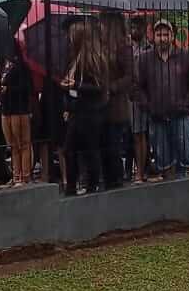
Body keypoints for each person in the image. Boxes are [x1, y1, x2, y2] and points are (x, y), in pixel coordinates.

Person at [134, 19, 189, 180]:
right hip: (157, 118)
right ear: (153, 37)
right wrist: (148, 107)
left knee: (185, 159)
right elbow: (136, 87)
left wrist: (187, 106)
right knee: (164, 161)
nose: (162, 38)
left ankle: (184, 193)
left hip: (181, 116)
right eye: (159, 34)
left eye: (165, 34)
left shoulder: (184, 56)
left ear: (172, 36)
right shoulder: (144, 59)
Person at [62, 16, 111, 194]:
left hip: (91, 112)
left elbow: (98, 87)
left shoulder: (93, 58)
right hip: (77, 110)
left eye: (72, 35)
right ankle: (71, 187)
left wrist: (75, 85)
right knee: (70, 150)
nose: (68, 38)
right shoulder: (74, 58)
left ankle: (91, 185)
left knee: (90, 149)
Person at [102, 15, 135, 188]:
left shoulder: (124, 47)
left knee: (113, 145)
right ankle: (108, 179)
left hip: (117, 105)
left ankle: (117, 179)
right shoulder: (101, 46)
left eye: (103, 22)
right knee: (105, 145)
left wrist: (112, 87)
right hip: (101, 104)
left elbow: (130, 76)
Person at [0, 52, 33, 186]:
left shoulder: (22, 64)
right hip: (6, 108)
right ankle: (16, 176)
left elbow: (26, 87)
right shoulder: (1, 62)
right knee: (12, 145)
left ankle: (25, 176)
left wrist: (8, 89)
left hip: (19, 109)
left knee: (23, 143)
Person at [125, 16, 152, 182]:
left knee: (140, 134)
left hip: (140, 97)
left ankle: (141, 171)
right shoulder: (126, 48)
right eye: (132, 26)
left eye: (138, 26)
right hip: (127, 96)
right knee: (130, 136)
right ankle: (130, 169)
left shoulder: (148, 49)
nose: (135, 29)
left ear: (144, 29)